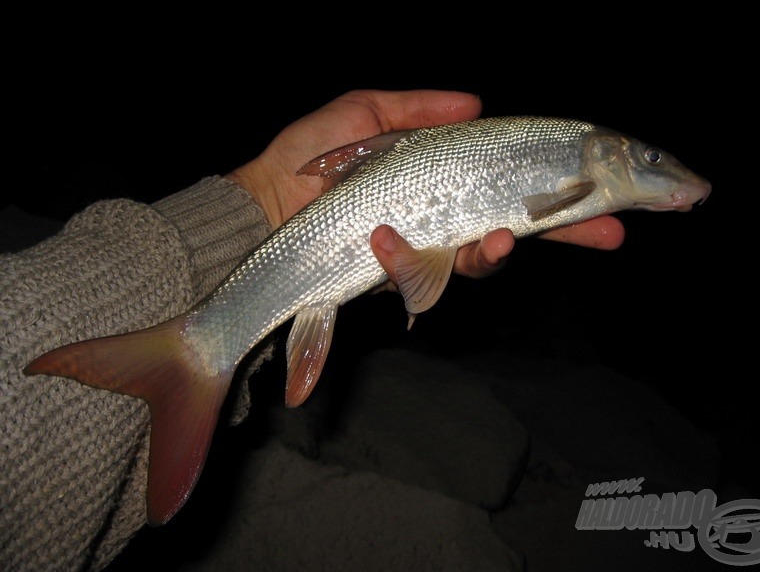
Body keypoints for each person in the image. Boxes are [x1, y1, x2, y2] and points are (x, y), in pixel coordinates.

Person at [0, 89, 624, 571]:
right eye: (645, 156)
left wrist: (270, 197)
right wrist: (277, 195)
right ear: (608, 154)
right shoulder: (578, 148)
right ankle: (195, 356)